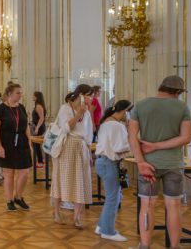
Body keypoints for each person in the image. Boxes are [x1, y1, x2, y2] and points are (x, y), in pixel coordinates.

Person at [129, 75, 191, 249]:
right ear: (177, 92)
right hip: (173, 164)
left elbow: (131, 136)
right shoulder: (182, 107)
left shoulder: (141, 105)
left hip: (148, 166)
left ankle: (144, 245)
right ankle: (175, 246)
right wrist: (158, 146)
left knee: (147, 206)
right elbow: (186, 138)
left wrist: (140, 161)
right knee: (173, 207)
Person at [52, 84, 94, 228]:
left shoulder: (87, 113)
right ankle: (56, 212)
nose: (91, 99)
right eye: (89, 95)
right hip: (67, 146)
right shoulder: (66, 108)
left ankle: (77, 217)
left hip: (81, 147)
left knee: (80, 181)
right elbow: (66, 128)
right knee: (61, 179)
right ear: (80, 95)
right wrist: (78, 114)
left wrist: (89, 152)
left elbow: (89, 134)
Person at [95, 99, 133, 242]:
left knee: (112, 197)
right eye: (128, 112)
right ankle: (108, 231)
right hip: (110, 163)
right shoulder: (117, 126)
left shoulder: (106, 122)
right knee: (113, 198)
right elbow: (120, 148)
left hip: (102, 161)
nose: (128, 115)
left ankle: (101, 226)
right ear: (124, 111)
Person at [0, 82, 32, 211]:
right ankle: (9, 200)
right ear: (9, 94)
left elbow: (26, 126)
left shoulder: (21, 108)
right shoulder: (1, 109)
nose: (20, 95)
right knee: (9, 173)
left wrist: (29, 142)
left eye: (21, 93)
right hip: (7, 143)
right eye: (18, 93)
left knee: (24, 172)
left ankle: (18, 197)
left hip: (22, 143)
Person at [31, 91, 47, 169]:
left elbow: (41, 118)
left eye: (33, 95)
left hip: (39, 127)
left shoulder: (38, 106)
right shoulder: (38, 106)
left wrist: (37, 128)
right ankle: (41, 160)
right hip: (39, 126)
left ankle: (40, 162)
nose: (32, 97)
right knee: (37, 145)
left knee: (36, 145)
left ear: (36, 97)